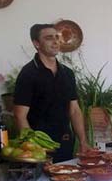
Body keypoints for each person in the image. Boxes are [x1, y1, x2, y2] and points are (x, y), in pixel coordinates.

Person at [14, 24, 89, 162]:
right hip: (39, 147)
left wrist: (83, 141)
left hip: (65, 142)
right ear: (36, 44)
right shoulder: (28, 74)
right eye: (49, 38)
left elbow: (74, 110)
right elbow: (20, 116)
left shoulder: (67, 73)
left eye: (57, 37)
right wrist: (33, 147)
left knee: (65, 178)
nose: (55, 42)